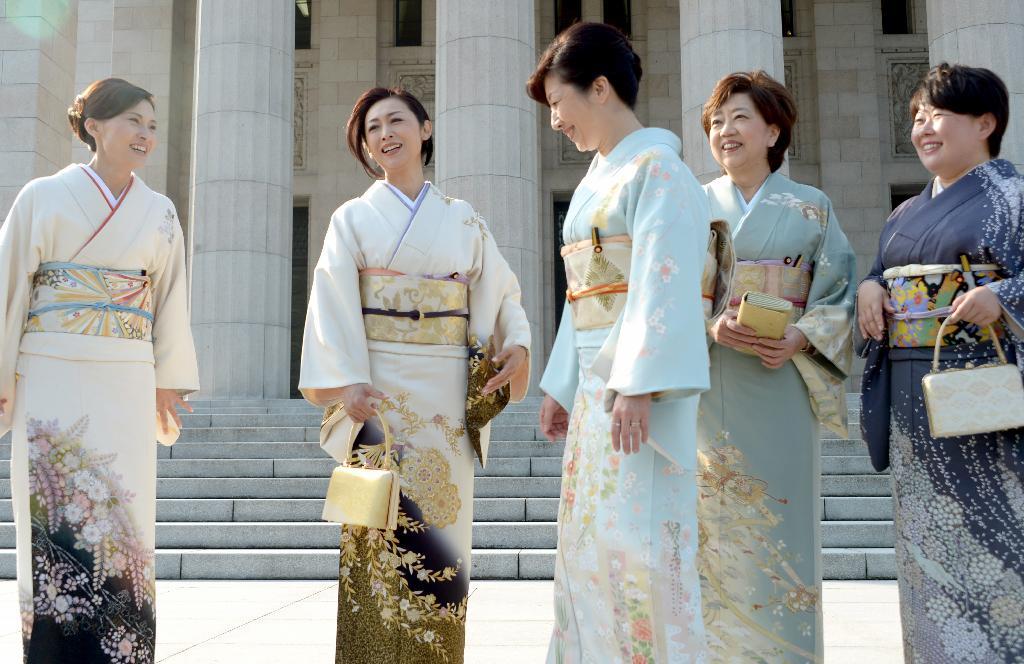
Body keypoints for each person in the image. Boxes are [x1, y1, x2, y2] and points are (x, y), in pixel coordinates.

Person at [299, 87, 531, 664]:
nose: (384, 134)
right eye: (372, 128)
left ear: (425, 129)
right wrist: (346, 381)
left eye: (396, 121)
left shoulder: (463, 219)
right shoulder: (351, 218)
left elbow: (499, 290)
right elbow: (330, 299)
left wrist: (518, 344)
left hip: (445, 391)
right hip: (375, 392)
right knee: (376, 529)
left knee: (443, 528)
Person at [529, 22, 711, 662]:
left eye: (558, 102)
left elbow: (666, 284)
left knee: (641, 543)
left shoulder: (659, 170)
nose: (555, 120)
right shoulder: (598, 180)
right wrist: (560, 384)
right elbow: (583, 296)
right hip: (595, 387)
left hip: (639, 393)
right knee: (589, 542)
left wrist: (639, 381)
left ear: (599, 88)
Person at [0, 78, 199, 663]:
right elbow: (9, 288)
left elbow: (169, 299)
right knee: (55, 510)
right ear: (93, 126)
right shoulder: (42, 196)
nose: (145, 134)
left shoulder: (158, 212)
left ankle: (125, 649)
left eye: (152, 125)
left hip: (127, 376)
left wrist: (167, 378)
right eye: (132, 121)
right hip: (51, 371)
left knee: (124, 515)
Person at [857, 63, 1024, 662]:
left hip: (985, 395)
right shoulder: (903, 215)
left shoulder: (1015, 196)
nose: (924, 128)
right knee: (926, 544)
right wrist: (870, 288)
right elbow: (881, 269)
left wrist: (1002, 297)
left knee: (998, 534)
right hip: (911, 392)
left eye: (939, 114)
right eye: (917, 118)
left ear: (985, 123)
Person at [697, 70, 856, 663]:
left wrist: (800, 335)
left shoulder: (812, 208)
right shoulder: (693, 204)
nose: (725, 131)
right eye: (716, 122)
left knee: (783, 526)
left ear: (773, 129)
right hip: (710, 382)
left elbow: (837, 292)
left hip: (780, 379)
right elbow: (664, 295)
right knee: (710, 530)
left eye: (739, 118)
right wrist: (710, 324)